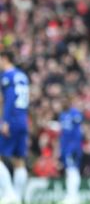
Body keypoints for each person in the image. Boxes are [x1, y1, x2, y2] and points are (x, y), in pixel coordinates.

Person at [0, 51, 29, 204]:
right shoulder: (23, 76)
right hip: (23, 120)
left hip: (11, 120)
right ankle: (17, 198)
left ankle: (9, 193)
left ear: (5, 59)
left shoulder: (7, 76)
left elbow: (7, 99)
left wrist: (4, 121)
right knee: (19, 161)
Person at [57, 95, 83, 204]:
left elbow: (79, 128)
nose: (63, 103)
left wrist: (75, 146)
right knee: (69, 170)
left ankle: (73, 196)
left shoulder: (75, 113)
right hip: (65, 146)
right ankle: (71, 195)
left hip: (73, 146)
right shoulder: (62, 115)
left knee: (72, 169)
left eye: (64, 101)